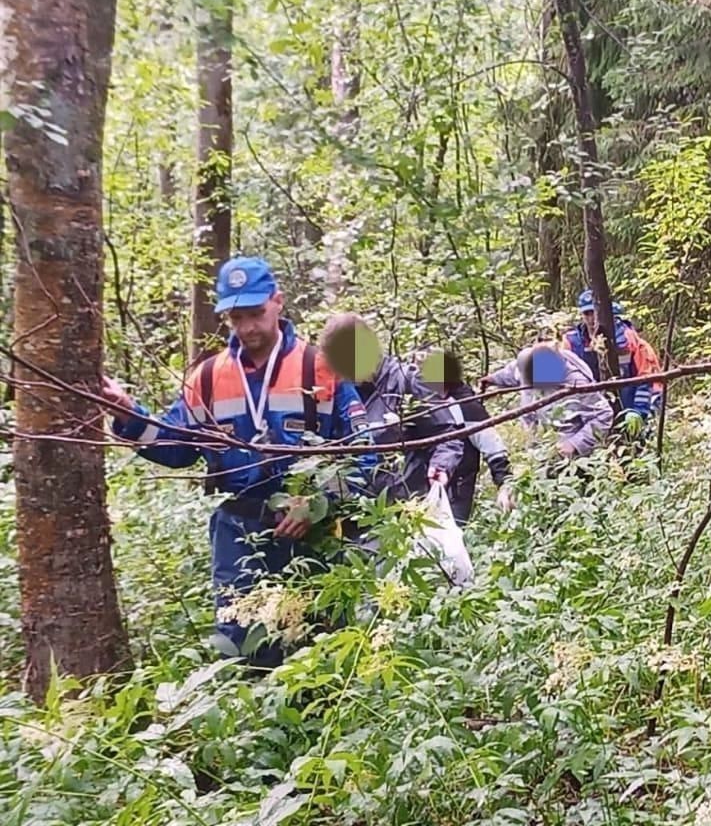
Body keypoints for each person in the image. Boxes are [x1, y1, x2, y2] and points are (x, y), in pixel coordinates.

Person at [103, 256, 376, 668]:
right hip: (238, 529)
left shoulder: (320, 368)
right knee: (240, 639)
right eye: (236, 317)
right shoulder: (208, 378)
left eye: (255, 313)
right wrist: (128, 413)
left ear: (277, 302)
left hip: (312, 533)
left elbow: (363, 451)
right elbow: (177, 448)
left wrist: (318, 503)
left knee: (319, 641)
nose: (248, 327)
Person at [318, 314, 472, 523]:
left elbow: (447, 434)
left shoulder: (405, 382)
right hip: (356, 515)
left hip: (409, 510)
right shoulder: (337, 394)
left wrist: (441, 466)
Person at [415, 348, 515, 524]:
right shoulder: (415, 405)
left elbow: (493, 447)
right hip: (418, 486)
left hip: (456, 489)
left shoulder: (465, 406)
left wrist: (504, 484)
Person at [479, 342, 612, 462]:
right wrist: (493, 380)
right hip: (534, 440)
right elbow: (512, 372)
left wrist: (575, 443)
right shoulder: (527, 362)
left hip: (565, 448)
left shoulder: (576, 383)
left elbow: (604, 415)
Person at [562, 290, 664, 435]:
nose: (592, 319)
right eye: (587, 314)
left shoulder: (631, 342)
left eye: (595, 312)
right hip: (592, 412)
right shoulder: (572, 344)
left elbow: (647, 379)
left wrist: (639, 412)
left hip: (631, 403)